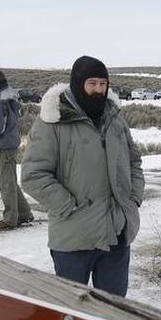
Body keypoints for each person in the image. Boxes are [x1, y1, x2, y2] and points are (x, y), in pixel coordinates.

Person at [21, 55, 144, 297]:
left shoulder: (115, 117)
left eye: (102, 84)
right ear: (78, 83)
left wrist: (133, 198)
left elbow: (133, 161)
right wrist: (68, 206)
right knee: (71, 315)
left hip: (116, 235)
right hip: (73, 238)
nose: (98, 90)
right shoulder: (53, 121)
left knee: (114, 311)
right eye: (92, 83)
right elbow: (33, 174)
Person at [0, 69, 34, 231]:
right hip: (12, 142)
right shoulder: (11, 95)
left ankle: (10, 219)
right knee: (10, 181)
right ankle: (24, 213)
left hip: (4, 145)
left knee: (6, 183)